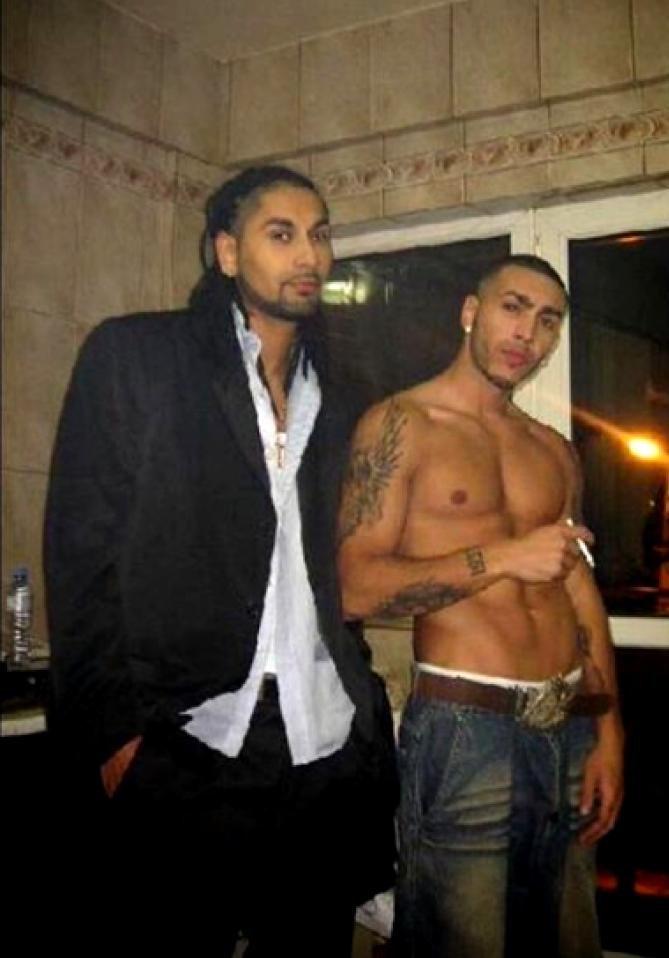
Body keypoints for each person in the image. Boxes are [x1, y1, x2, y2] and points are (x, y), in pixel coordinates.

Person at [44, 165, 397, 958]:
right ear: (227, 252)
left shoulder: (345, 395)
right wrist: (113, 734)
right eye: (282, 233)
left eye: (320, 234)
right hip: (187, 739)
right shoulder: (137, 356)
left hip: (323, 743)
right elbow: (80, 552)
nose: (309, 254)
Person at [336, 254, 624, 958]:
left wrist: (610, 731)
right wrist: (501, 557)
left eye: (547, 320)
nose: (528, 332)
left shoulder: (554, 450)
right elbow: (354, 588)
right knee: (462, 941)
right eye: (512, 307)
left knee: (566, 940)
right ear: (471, 312)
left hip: (569, 727)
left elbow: (579, 589)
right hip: (467, 727)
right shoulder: (400, 424)